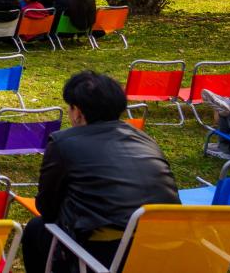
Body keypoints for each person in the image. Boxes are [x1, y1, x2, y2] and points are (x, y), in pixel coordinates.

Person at [22, 72, 179, 273]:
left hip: (106, 257)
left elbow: (47, 207)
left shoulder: (63, 142)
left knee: (36, 229)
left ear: (77, 112)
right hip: (163, 250)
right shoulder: (144, 139)